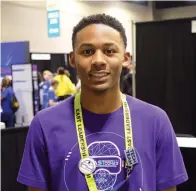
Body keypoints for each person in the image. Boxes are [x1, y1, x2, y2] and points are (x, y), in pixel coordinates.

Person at [17, 14, 188, 191]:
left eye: (109, 51)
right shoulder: (44, 124)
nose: (98, 61)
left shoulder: (155, 121)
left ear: (125, 58)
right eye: (87, 52)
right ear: (73, 59)